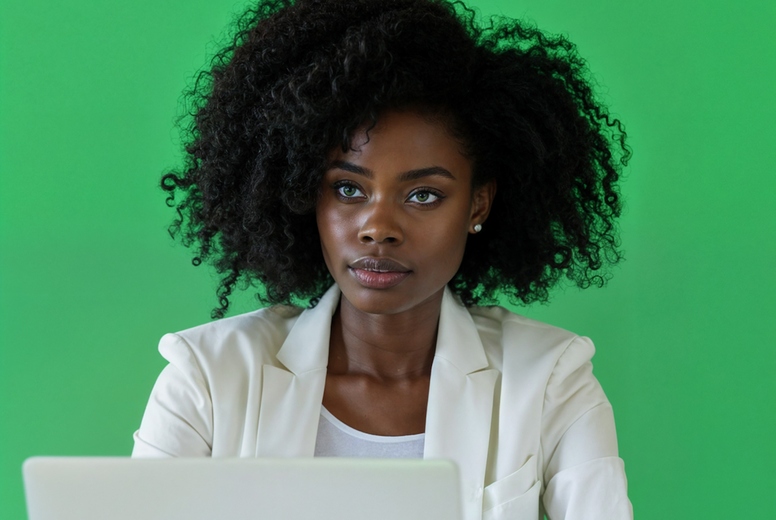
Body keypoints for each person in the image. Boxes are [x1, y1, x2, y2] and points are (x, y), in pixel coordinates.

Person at [132, 0, 633, 518]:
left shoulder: (549, 379)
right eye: (348, 188)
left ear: (477, 204)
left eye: (423, 195)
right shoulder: (209, 376)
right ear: (309, 196)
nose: (378, 228)